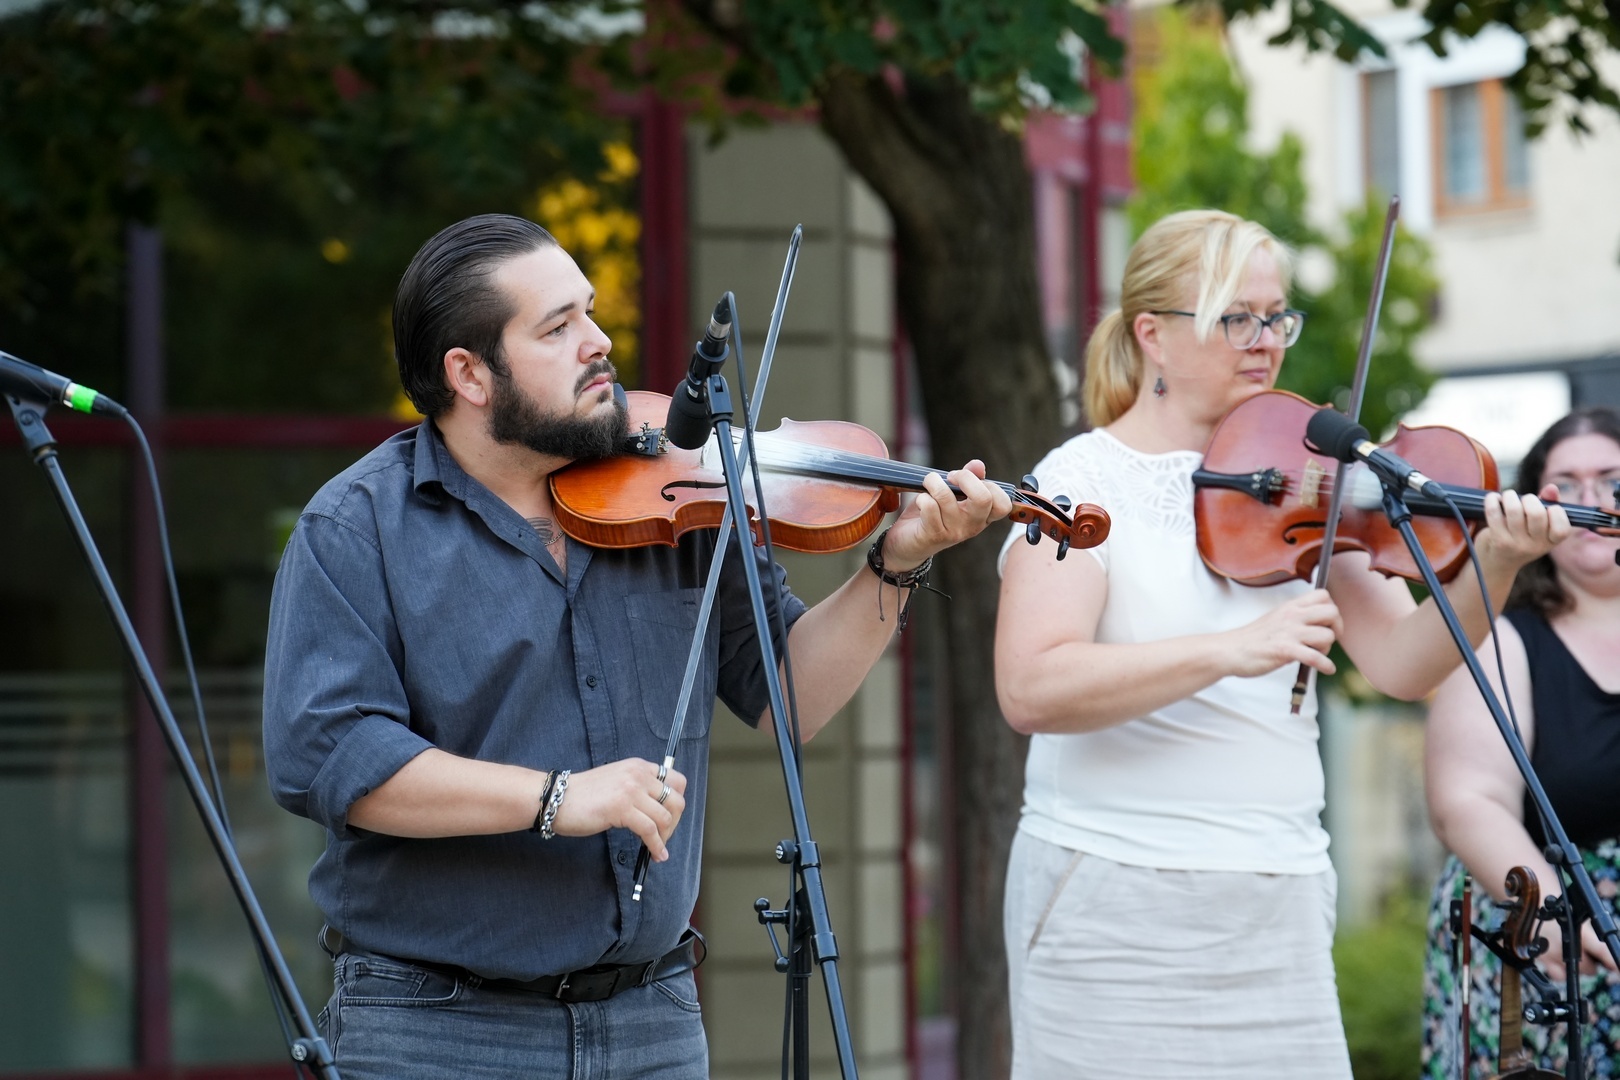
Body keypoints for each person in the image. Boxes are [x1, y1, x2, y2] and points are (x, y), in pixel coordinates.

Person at [261, 213, 1011, 1079]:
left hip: (652, 1022)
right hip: (438, 1030)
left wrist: (898, 561)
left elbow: (789, 695)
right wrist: (558, 798)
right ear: (468, 374)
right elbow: (332, 758)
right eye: (557, 328)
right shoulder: (356, 530)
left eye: (588, 311)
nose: (599, 341)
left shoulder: (676, 492)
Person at [992, 208, 1569, 1080]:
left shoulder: (1309, 479)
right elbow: (1032, 686)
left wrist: (1493, 566)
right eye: (1236, 318)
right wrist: (1230, 649)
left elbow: (1403, 661)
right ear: (1151, 334)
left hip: (1278, 892)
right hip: (1110, 897)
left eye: (1277, 317)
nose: (1266, 342)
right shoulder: (1078, 481)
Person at [1421, 408, 1620, 1078]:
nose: (1592, 500)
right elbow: (1467, 800)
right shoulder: (1500, 636)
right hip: (1545, 934)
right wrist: (1563, 917)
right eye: (1568, 484)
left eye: (1612, 480)